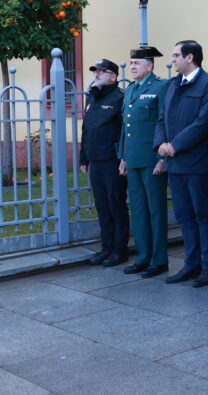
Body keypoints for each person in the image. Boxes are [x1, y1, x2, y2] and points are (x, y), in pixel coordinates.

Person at [155, 40, 208, 287]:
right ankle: (191, 264)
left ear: (190, 57)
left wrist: (175, 145)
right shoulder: (173, 84)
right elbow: (161, 118)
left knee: (202, 215)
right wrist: (160, 144)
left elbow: (204, 122)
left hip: (197, 162)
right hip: (174, 162)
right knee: (184, 216)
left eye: (175, 55)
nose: (172, 59)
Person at [117, 47, 170, 278]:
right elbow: (125, 128)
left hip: (152, 159)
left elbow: (165, 123)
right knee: (138, 210)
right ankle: (142, 257)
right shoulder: (129, 90)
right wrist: (123, 157)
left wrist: (162, 158)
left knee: (155, 210)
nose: (132, 67)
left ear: (149, 66)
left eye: (136, 63)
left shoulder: (160, 87)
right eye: (131, 63)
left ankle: (159, 260)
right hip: (134, 158)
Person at [80, 59, 128, 267]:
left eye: (102, 71)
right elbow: (87, 128)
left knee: (115, 204)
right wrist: (84, 157)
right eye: (95, 71)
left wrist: (123, 158)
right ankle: (106, 247)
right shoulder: (92, 97)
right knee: (101, 206)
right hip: (95, 160)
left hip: (112, 160)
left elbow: (125, 131)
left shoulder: (120, 98)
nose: (97, 74)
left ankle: (120, 250)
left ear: (113, 76)